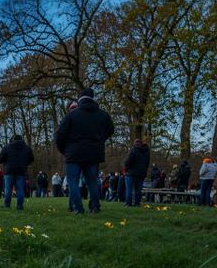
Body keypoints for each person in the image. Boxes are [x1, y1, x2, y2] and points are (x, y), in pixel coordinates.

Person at [54, 87, 115, 215]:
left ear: (80, 98)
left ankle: (78, 208)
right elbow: (110, 130)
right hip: (93, 153)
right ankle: (95, 206)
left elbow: (60, 135)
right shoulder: (102, 115)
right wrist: (99, 140)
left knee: (73, 182)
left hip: (74, 153)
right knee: (92, 181)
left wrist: (64, 150)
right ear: (92, 98)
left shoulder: (72, 115)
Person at [0, 135, 34, 210]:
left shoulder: (7, 147)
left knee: (8, 189)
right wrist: (25, 164)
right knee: (20, 189)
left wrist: (5, 162)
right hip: (21, 171)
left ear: (12, 139)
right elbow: (32, 159)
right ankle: (19, 206)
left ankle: (7, 205)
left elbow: (0, 159)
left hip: (9, 170)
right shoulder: (27, 148)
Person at [122, 139, 150, 206]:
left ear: (135, 144)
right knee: (138, 190)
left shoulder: (134, 150)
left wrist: (125, 166)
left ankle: (128, 203)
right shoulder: (146, 152)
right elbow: (147, 163)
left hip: (131, 173)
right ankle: (137, 203)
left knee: (129, 189)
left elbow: (128, 161)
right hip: (141, 173)